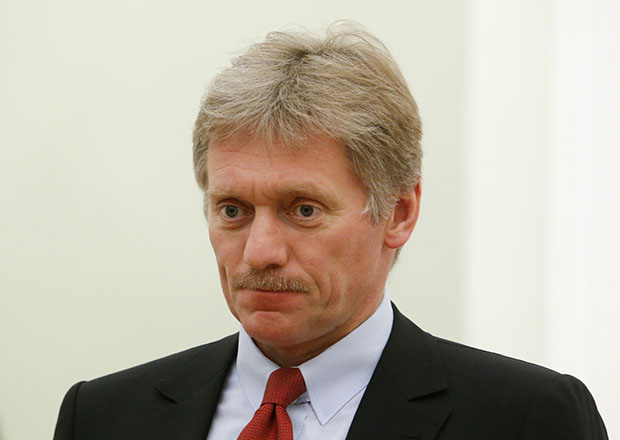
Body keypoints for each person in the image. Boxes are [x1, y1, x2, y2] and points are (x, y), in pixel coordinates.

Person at [53, 22, 608, 440]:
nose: (259, 252)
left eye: (303, 210)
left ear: (399, 213)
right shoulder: (102, 417)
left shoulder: (523, 418)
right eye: (233, 210)